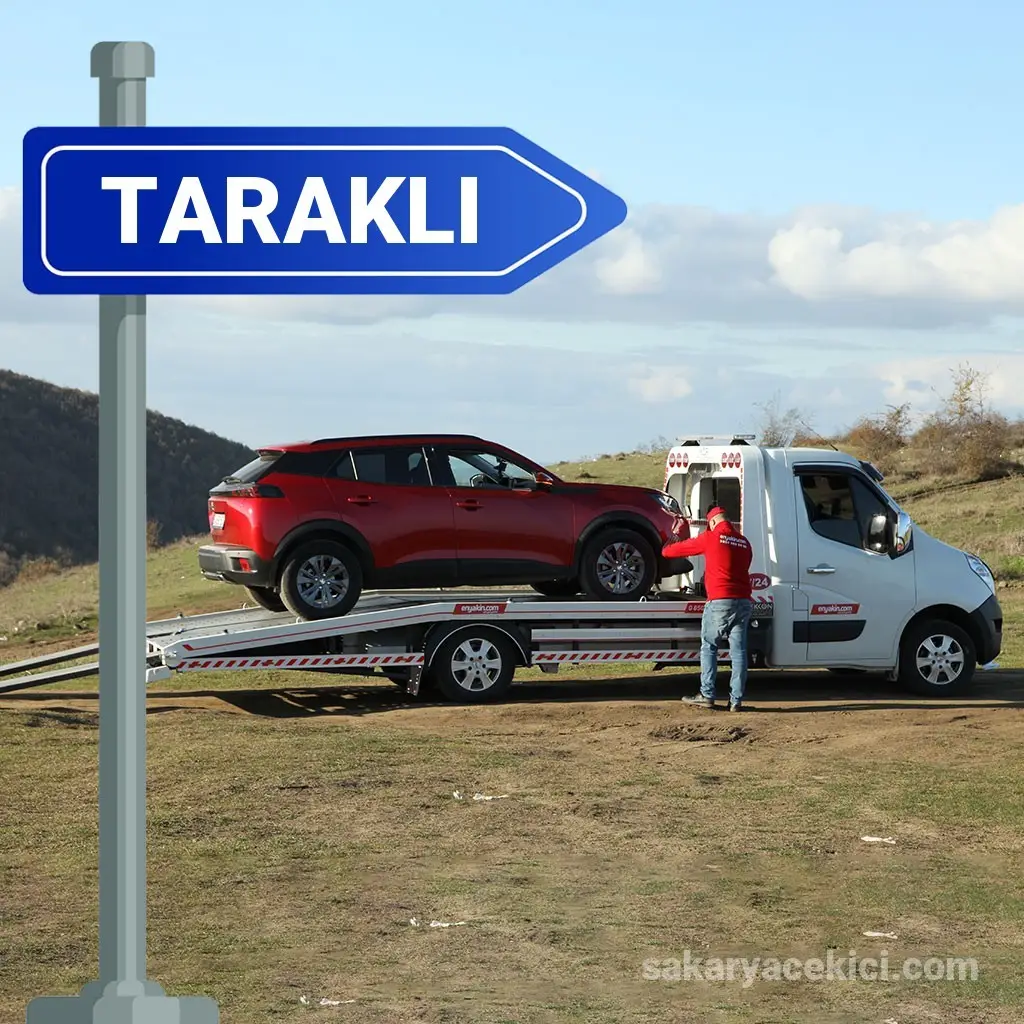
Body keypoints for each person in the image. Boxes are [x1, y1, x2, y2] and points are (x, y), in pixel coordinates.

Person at [661, 506, 754, 711]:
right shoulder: (744, 543)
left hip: (720, 601)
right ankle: (736, 701)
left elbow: (669, 552)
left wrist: (674, 536)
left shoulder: (711, 537)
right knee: (738, 653)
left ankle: (707, 694)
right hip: (744, 601)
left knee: (709, 647)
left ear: (712, 523)